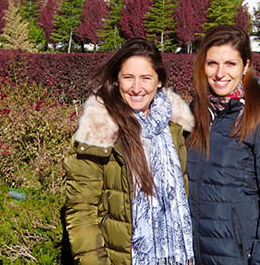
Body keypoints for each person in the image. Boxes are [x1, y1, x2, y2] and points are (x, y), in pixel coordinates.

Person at [64, 38, 196, 265]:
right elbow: (82, 212)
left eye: (146, 78)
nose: (137, 88)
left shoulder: (175, 128)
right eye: (128, 77)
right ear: (116, 80)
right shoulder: (100, 129)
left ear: (160, 81)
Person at [187, 25, 260, 264]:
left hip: (237, 256)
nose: (220, 73)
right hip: (194, 255)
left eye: (230, 64)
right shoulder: (196, 112)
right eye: (212, 63)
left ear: (245, 66)